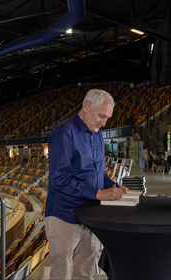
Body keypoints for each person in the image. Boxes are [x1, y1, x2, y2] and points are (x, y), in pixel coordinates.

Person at [45, 89, 129, 280]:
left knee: (85, 273)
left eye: (107, 118)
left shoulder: (98, 134)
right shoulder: (63, 132)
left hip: (90, 215)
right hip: (64, 215)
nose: (104, 122)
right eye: (101, 116)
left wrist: (114, 185)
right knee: (61, 274)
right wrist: (99, 193)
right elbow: (60, 180)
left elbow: (98, 173)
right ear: (86, 106)